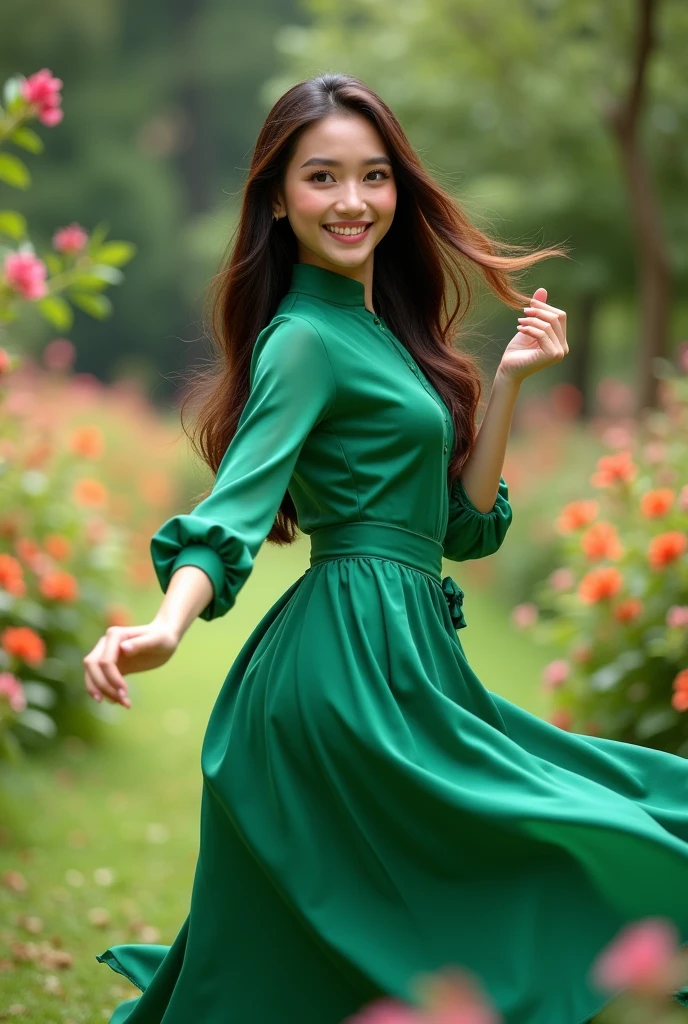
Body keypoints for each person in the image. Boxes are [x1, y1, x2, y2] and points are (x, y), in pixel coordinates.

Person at [85, 73, 688, 1024]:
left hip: (408, 655)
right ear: (278, 201)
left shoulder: (383, 335)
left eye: (373, 177)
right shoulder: (303, 341)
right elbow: (235, 507)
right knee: (567, 834)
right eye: (322, 178)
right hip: (347, 668)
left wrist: (509, 384)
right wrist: (164, 627)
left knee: (611, 806)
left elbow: (457, 529)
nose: (352, 202)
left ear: (399, 190)